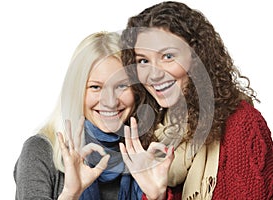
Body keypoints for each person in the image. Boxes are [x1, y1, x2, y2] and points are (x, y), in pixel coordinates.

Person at [121, 1, 273, 199]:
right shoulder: (154, 134)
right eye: (143, 61)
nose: (153, 74)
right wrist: (157, 195)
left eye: (167, 56)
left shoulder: (241, 124)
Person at [14, 31, 174, 200]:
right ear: (76, 92)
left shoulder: (147, 154)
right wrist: (70, 194)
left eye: (121, 86)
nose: (110, 102)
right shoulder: (41, 151)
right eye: (95, 87)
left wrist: (156, 197)